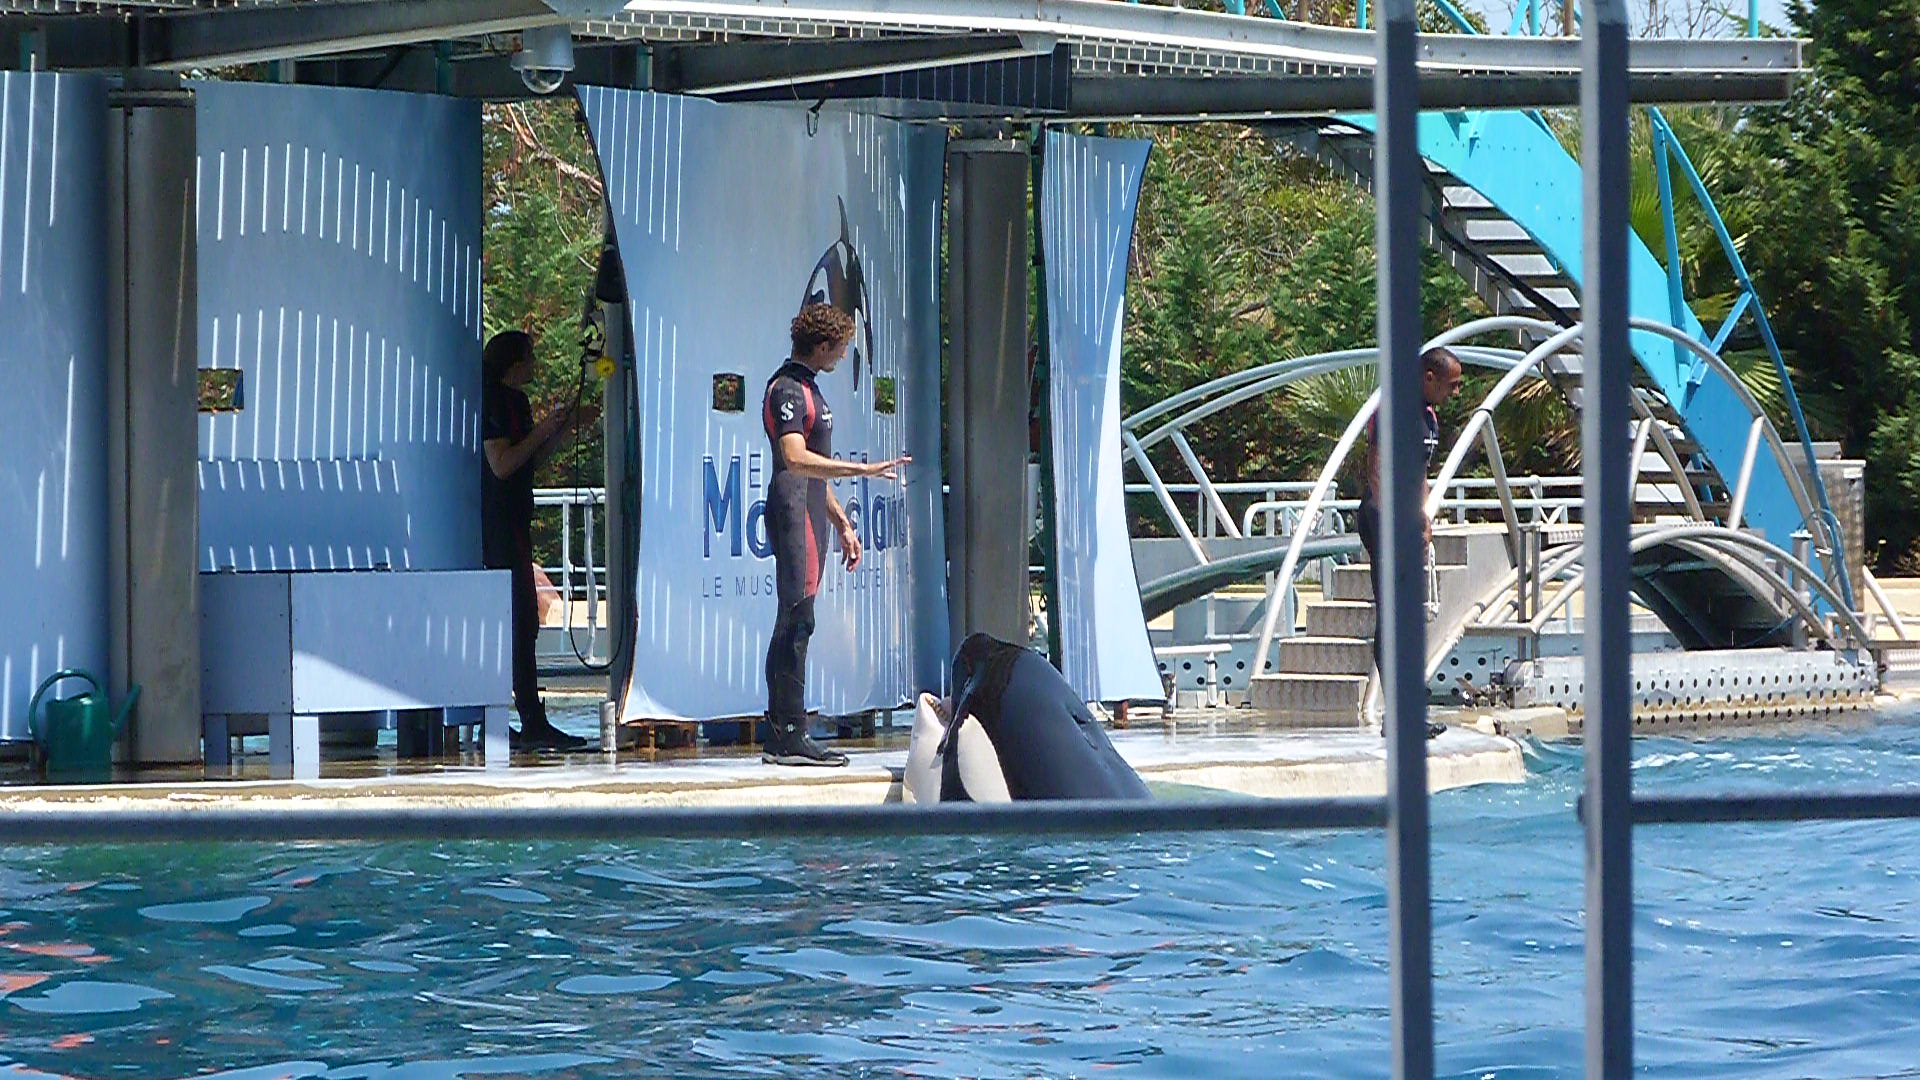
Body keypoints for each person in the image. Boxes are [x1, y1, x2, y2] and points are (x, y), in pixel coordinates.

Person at [761, 304, 910, 767]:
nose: (844, 356)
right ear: (822, 345)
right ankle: (789, 733)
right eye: (841, 348)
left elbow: (815, 474)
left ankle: (784, 732)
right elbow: (795, 459)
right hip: (792, 511)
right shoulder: (787, 389)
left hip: (809, 509)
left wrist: (842, 522)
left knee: (798, 618)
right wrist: (862, 470)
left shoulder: (810, 388)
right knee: (796, 620)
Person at [481, 330, 594, 752]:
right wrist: (543, 427)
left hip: (516, 520)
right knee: (514, 618)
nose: (535, 365)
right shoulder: (492, 402)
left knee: (525, 620)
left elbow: (529, 461)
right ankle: (517, 715)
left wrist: (561, 431)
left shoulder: (518, 403)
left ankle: (528, 715)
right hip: (498, 525)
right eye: (530, 358)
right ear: (513, 365)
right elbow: (502, 464)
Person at [1356, 347, 1463, 727]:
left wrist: (1424, 519)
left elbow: (1420, 475)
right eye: (1451, 385)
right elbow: (1376, 470)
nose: (1455, 393)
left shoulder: (1429, 418)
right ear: (1428, 378)